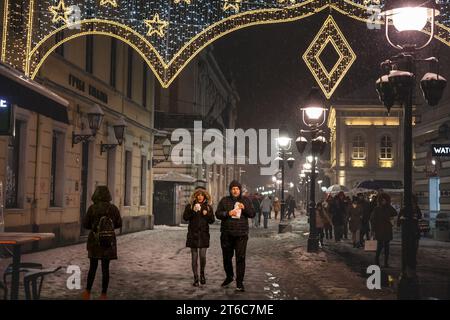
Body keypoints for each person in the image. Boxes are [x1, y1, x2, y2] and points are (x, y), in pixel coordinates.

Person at [82, 186, 122, 300]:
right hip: (108, 242)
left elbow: (85, 225)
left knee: (92, 267)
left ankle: (87, 292)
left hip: (95, 241)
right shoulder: (113, 208)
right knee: (105, 269)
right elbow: (119, 224)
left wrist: (96, 227)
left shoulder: (92, 208)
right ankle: (103, 294)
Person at [215, 180, 256, 292]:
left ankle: (239, 282)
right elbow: (217, 214)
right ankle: (229, 276)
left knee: (240, 258)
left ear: (240, 190)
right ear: (230, 190)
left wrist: (244, 208)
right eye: (233, 188)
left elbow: (252, 214)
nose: (235, 190)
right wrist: (227, 213)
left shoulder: (246, 200)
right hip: (227, 234)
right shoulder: (224, 200)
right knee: (227, 258)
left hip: (241, 235)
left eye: (237, 188)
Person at [183, 187, 215, 286]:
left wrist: (207, 214)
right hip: (193, 234)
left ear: (205, 196)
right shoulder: (190, 206)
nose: (200, 197)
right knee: (194, 258)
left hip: (204, 234)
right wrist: (192, 210)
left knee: (202, 256)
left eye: (202, 195)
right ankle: (196, 278)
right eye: (198, 195)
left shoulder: (208, 207)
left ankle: (202, 274)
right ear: (195, 196)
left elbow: (212, 221)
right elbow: (185, 218)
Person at [370, 192, 397, 268]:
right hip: (380, 230)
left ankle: (386, 262)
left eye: (385, 200)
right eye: (382, 200)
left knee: (387, 247)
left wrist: (389, 206)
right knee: (379, 246)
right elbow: (373, 219)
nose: (384, 201)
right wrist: (373, 230)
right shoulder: (377, 209)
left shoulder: (389, 208)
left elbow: (395, 213)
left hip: (387, 229)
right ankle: (377, 260)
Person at [397, 194, 422, 271]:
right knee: (410, 246)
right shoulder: (406, 208)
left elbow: (419, 216)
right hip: (410, 230)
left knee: (414, 246)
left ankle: (412, 260)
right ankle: (410, 260)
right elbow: (400, 218)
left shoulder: (416, 208)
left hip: (414, 229)